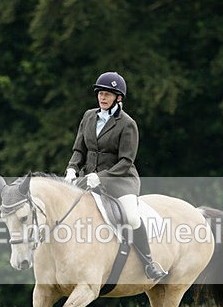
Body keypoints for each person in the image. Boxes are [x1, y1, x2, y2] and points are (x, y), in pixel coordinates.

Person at [63, 71, 167, 282]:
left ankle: (149, 263)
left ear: (118, 98)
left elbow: (126, 161)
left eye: (107, 94)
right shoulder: (88, 116)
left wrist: (101, 177)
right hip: (86, 178)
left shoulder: (127, 124)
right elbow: (79, 150)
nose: (102, 97)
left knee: (130, 215)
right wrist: (72, 169)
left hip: (120, 180)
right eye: (100, 93)